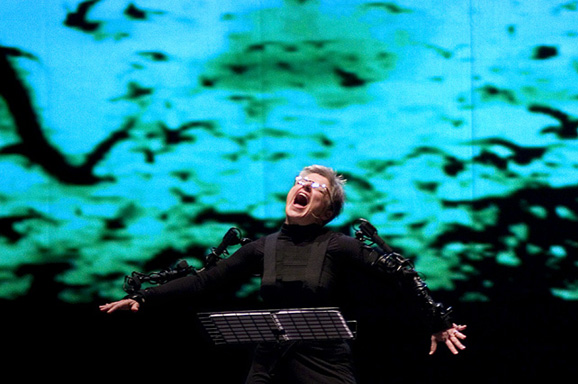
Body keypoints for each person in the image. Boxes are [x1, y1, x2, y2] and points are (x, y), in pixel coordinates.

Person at [100, 164, 466, 383]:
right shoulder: (262, 247)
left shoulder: (339, 245)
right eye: (300, 180)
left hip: (324, 358)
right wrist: (145, 297)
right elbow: (204, 280)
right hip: (271, 355)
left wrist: (437, 321)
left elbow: (401, 276)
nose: (303, 186)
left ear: (328, 210)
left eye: (316, 186)